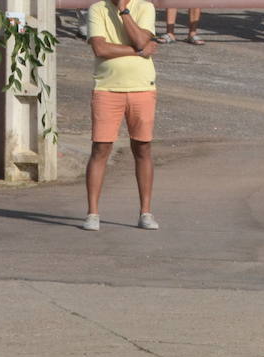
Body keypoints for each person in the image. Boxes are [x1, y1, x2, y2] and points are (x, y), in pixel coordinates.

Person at [84, 0, 160, 231]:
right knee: (100, 148)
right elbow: (100, 49)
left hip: (142, 87)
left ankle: (145, 212)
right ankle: (92, 213)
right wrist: (138, 51)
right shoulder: (97, 9)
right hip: (107, 88)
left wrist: (123, 11)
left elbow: (141, 39)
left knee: (143, 147)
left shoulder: (145, 7)